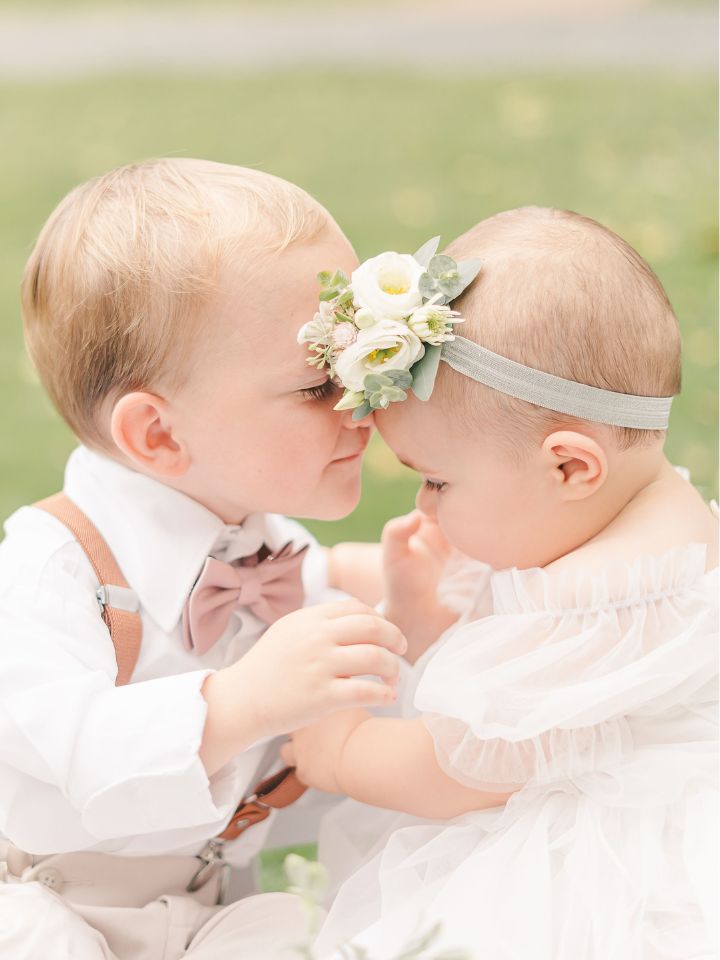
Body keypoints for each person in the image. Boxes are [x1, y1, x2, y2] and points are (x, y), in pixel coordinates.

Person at [0, 157, 409, 960]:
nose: (361, 404)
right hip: (40, 900)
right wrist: (235, 703)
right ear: (159, 435)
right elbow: (73, 748)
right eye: (316, 384)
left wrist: (411, 601)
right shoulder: (49, 571)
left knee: (303, 936)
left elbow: (329, 622)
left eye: (363, 366)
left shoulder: (258, 547)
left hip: (206, 903)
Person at [284, 207, 719, 959]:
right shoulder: (648, 522)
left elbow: (457, 769)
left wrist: (336, 748)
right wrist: (393, 596)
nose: (424, 504)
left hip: (608, 871)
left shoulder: (598, 603)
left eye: (439, 481)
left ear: (569, 466)